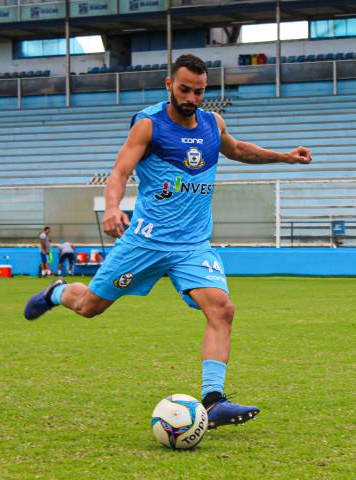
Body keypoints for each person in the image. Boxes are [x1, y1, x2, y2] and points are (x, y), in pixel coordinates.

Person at [24, 54, 312, 429]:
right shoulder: (148, 125)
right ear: (169, 85)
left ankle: (213, 400)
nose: (192, 98)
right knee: (90, 307)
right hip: (145, 243)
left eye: (199, 91)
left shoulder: (212, 123)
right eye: (185, 89)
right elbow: (120, 171)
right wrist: (112, 207)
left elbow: (238, 149)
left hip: (193, 245)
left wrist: (285, 158)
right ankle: (57, 293)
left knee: (222, 308)